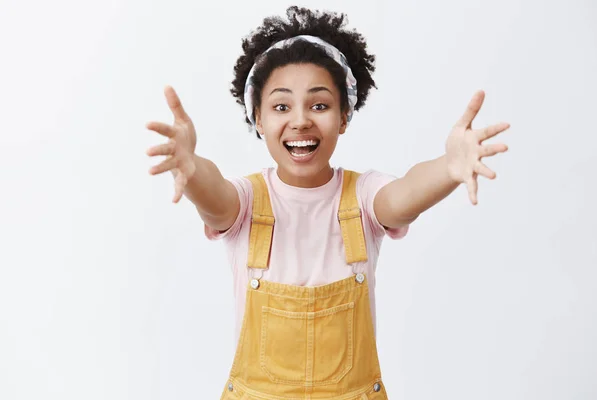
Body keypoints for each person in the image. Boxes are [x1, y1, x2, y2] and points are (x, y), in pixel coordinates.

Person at [145, 6, 510, 399]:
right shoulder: (247, 200)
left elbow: (404, 197)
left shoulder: (364, 196)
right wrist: (192, 167)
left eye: (319, 105)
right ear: (258, 119)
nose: (300, 120)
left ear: (344, 116)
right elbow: (215, 199)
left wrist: (447, 168)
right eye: (281, 106)